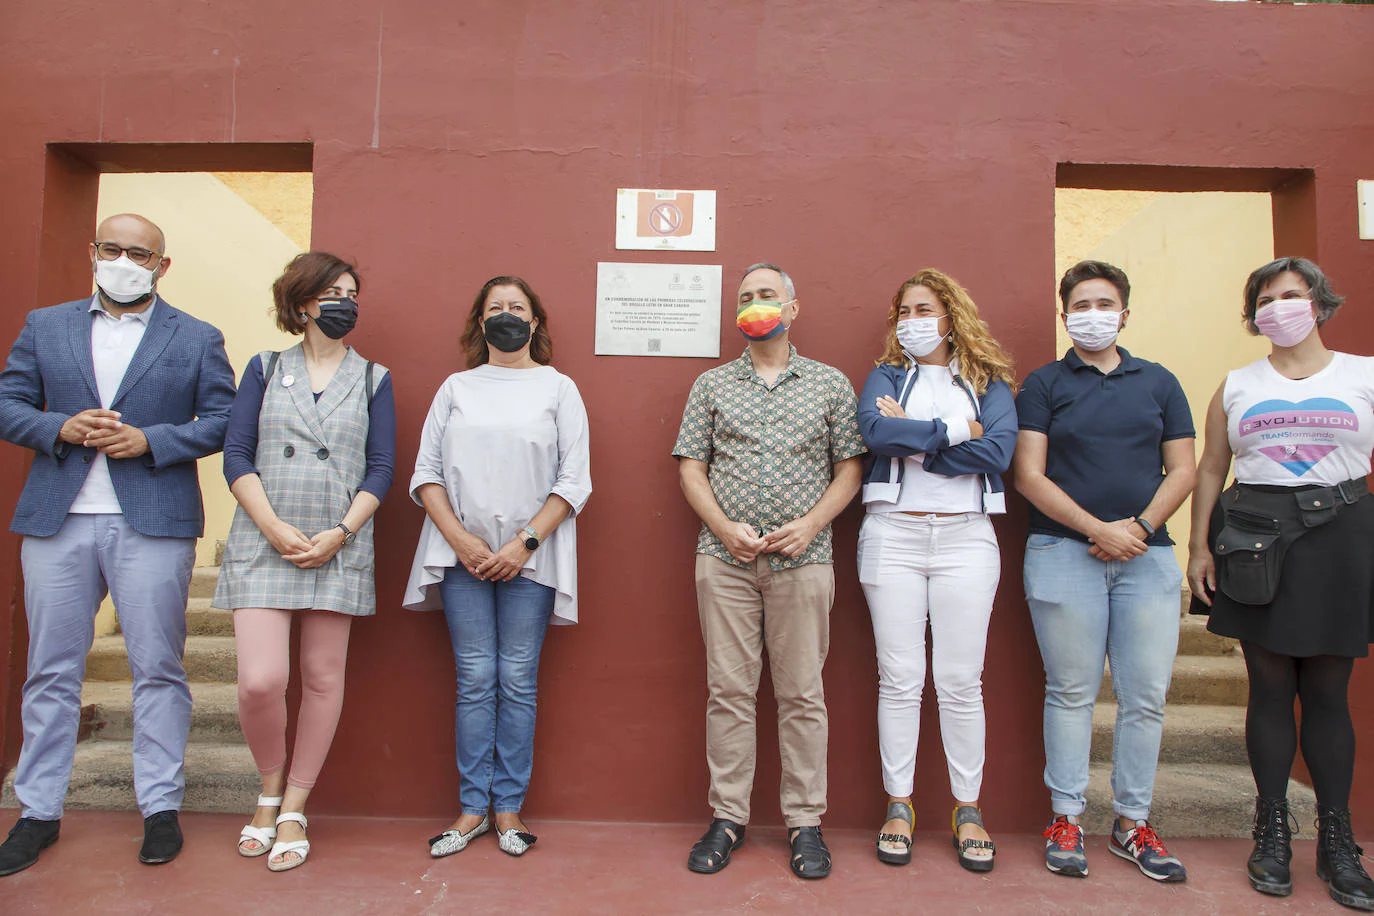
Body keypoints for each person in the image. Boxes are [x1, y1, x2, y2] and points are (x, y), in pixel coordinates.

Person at [0, 214, 236, 875]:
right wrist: (59, 425)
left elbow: (224, 418)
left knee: (158, 668)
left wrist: (154, 440)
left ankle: (159, 807)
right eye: (113, 248)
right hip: (57, 518)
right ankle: (38, 812)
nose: (124, 260)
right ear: (92, 252)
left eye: (140, 252)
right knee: (50, 670)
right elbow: (7, 401)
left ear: (163, 266)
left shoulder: (195, 337)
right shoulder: (45, 326)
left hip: (152, 519)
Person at [1188, 257, 1374, 910]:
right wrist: (1197, 548)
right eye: (1266, 299)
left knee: (1328, 690)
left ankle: (1336, 841)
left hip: (1343, 537)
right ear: (1253, 315)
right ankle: (1270, 832)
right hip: (1255, 540)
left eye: (1292, 295)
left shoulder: (1364, 375)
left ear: (1320, 303)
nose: (1278, 307)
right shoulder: (1238, 384)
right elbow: (1211, 467)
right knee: (1269, 689)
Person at [673, 262, 864, 880]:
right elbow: (691, 467)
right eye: (747, 297)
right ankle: (727, 818)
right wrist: (724, 527)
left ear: (793, 307)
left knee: (802, 695)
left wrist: (810, 524)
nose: (757, 304)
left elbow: (850, 469)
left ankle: (805, 824)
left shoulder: (831, 385)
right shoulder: (711, 386)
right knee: (728, 693)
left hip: (803, 562)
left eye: (768, 295)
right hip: (724, 563)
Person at [1014, 260, 1195, 883]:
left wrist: (1138, 530)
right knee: (1070, 692)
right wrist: (1100, 530)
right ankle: (1066, 817)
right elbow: (1029, 475)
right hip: (1065, 554)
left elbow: (1186, 470)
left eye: (1105, 302)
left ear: (1125, 312)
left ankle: (1132, 822)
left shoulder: (1160, 382)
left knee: (1145, 696)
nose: (1093, 313)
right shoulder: (1042, 384)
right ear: (1065, 314)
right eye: (1081, 304)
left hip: (1149, 558)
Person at [214, 251, 395, 872]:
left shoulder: (375, 377)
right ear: (302, 303)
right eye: (333, 293)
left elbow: (382, 466)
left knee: (322, 679)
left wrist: (342, 532)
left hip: (337, 542)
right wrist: (270, 526)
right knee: (261, 680)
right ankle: (267, 785)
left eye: (352, 292)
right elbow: (236, 452)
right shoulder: (264, 369)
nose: (345, 303)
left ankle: (292, 806)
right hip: (265, 538)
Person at [404, 275, 590, 859]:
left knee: (516, 680)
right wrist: (462, 541)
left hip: (529, 561)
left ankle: (508, 807)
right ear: (478, 320)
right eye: (495, 308)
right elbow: (425, 473)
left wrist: (522, 545)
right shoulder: (455, 387)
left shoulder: (559, 389)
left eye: (518, 307)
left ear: (535, 322)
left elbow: (573, 479)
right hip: (461, 558)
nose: (506, 316)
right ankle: (470, 809)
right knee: (475, 679)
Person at [856, 268, 1016, 871]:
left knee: (960, 681)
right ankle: (899, 805)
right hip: (892, 536)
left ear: (951, 315)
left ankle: (967, 808)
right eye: (904, 311)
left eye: (924, 309)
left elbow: (998, 450)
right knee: (898, 678)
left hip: (966, 540)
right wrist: (954, 433)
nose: (913, 321)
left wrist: (915, 438)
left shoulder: (987, 380)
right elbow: (873, 433)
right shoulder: (885, 374)